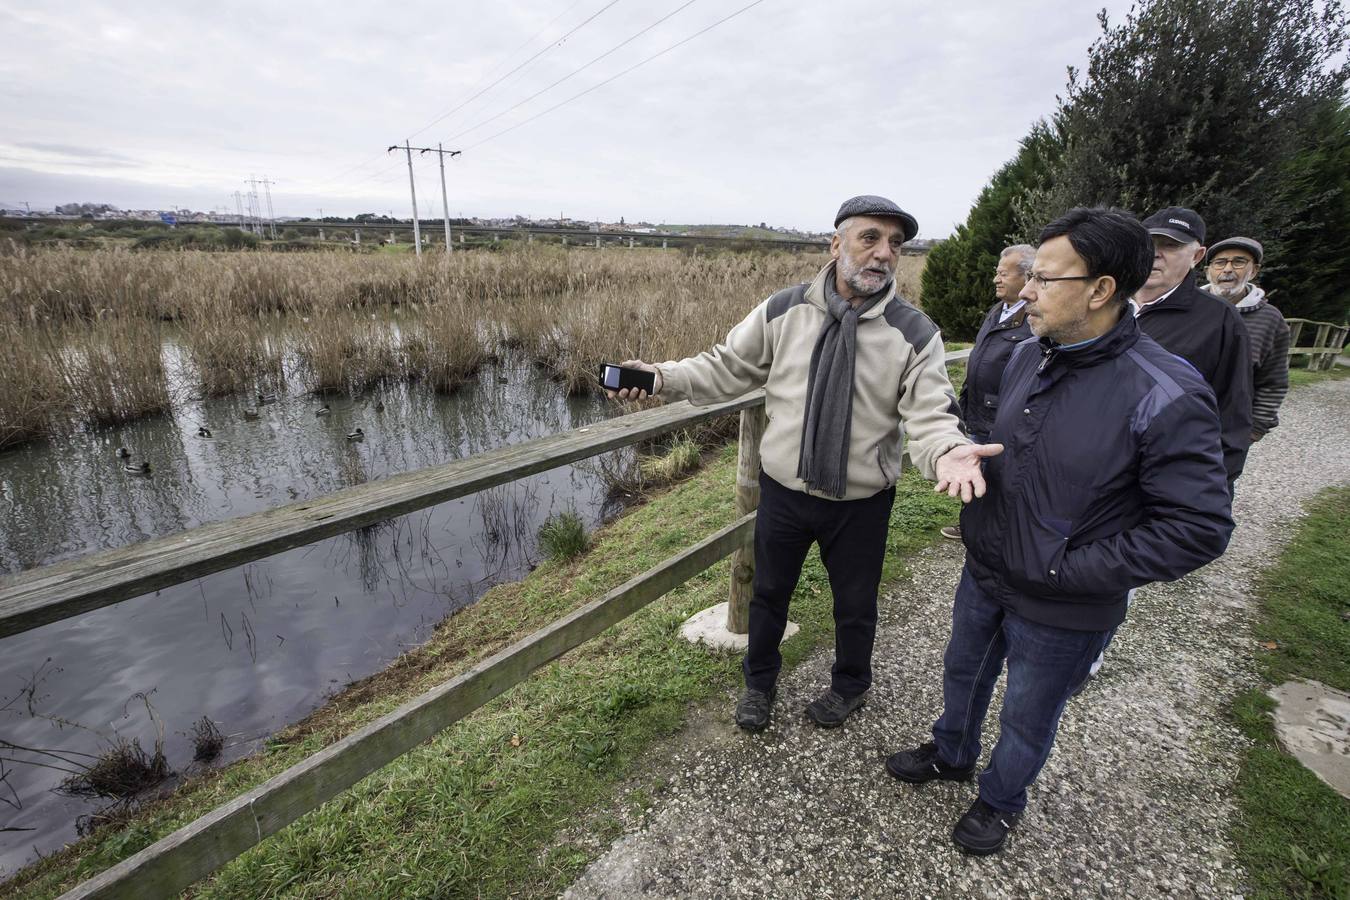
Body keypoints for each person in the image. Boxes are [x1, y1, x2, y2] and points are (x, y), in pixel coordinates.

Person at [884, 208, 1233, 856]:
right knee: (962, 672)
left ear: (1101, 290)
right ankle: (952, 752)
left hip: (1064, 602)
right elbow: (1005, 445)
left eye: (1046, 278)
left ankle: (1000, 800)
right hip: (987, 570)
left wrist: (1068, 570)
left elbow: (1198, 527)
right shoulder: (1027, 356)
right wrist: (962, 453)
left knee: (1028, 714)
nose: (1027, 290)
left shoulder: (1167, 392)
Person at [607, 195, 998, 732]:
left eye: (896, 245)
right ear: (836, 244)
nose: (883, 254)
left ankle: (850, 685)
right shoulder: (783, 309)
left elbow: (930, 414)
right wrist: (659, 377)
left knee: (855, 605)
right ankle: (759, 684)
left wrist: (948, 451)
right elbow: (727, 367)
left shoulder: (914, 332)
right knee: (768, 594)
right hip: (786, 492)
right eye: (869, 238)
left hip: (861, 502)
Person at [1131, 207, 1253, 487]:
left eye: (1171, 245)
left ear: (1198, 256)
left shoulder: (1219, 320)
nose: (1155, 254)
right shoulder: (1107, 303)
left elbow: (1233, 411)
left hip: (1167, 474)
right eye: (1148, 244)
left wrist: (1211, 487)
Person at [941, 244, 1035, 542]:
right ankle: (971, 527)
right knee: (974, 470)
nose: (996, 279)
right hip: (977, 409)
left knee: (998, 476)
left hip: (1002, 414)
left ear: (1026, 277)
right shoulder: (998, 311)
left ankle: (992, 533)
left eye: (1004, 274)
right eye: (996, 272)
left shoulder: (1033, 319)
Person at [1202, 237, 1290, 442]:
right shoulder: (1188, 309)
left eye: (1239, 262)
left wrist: (1254, 430)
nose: (1228, 269)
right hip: (1176, 424)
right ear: (1208, 271)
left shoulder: (1270, 319)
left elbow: (1274, 380)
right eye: (1220, 262)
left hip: (1228, 432)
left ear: (1254, 270)